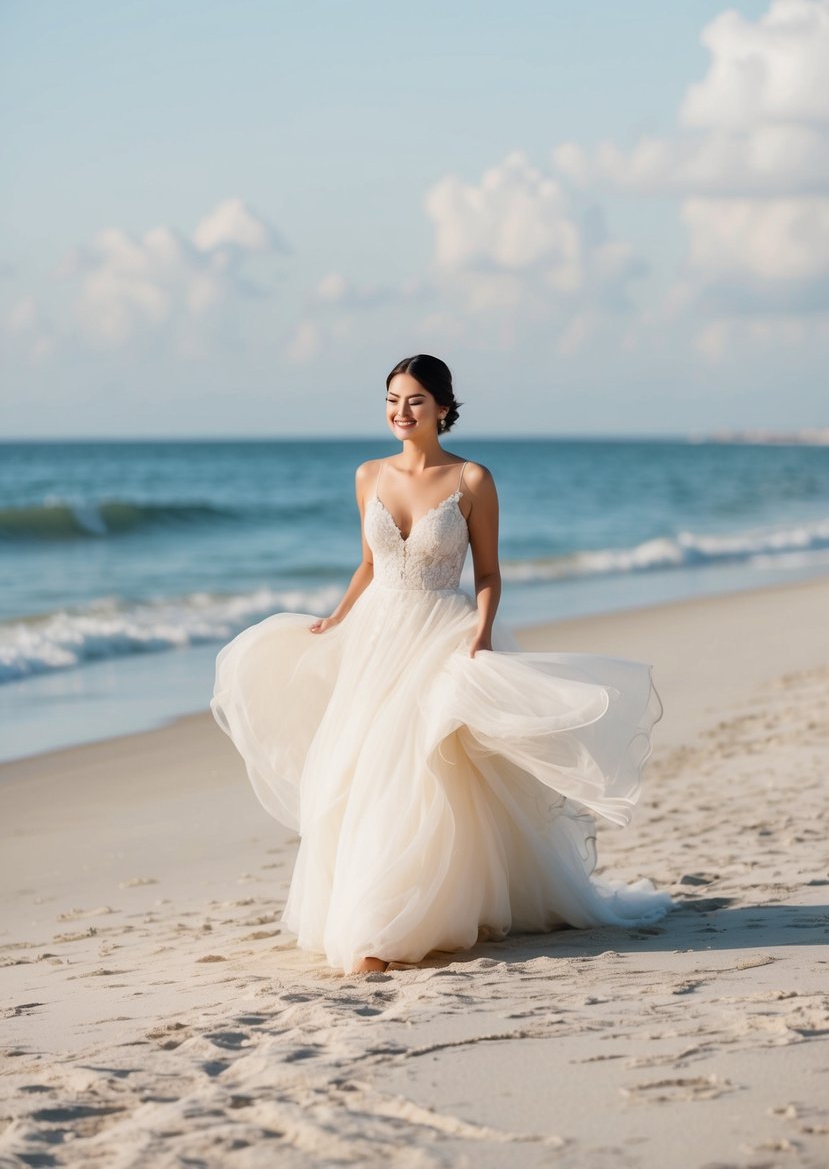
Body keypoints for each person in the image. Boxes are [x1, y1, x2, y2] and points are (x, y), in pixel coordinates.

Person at [211, 354, 675, 974]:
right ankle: (362, 912)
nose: (400, 412)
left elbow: (487, 572)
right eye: (391, 400)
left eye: (415, 401)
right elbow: (371, 565)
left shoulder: (472, 480)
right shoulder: (368, 475)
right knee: (357, 768)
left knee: (416, 766)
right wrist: (337, 616)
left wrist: (480, 632)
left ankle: (385, 928)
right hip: (376, 639)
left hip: (442, 633)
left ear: (444, 409)